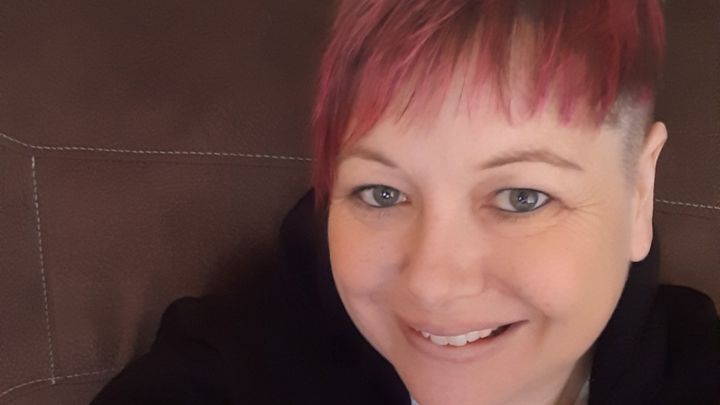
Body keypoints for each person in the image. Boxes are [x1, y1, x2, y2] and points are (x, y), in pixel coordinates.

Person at [92, 1, 720, 404]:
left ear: (639, 193)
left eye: (521, 197)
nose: (433, 285)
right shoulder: (231, 367)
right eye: (383, 193)